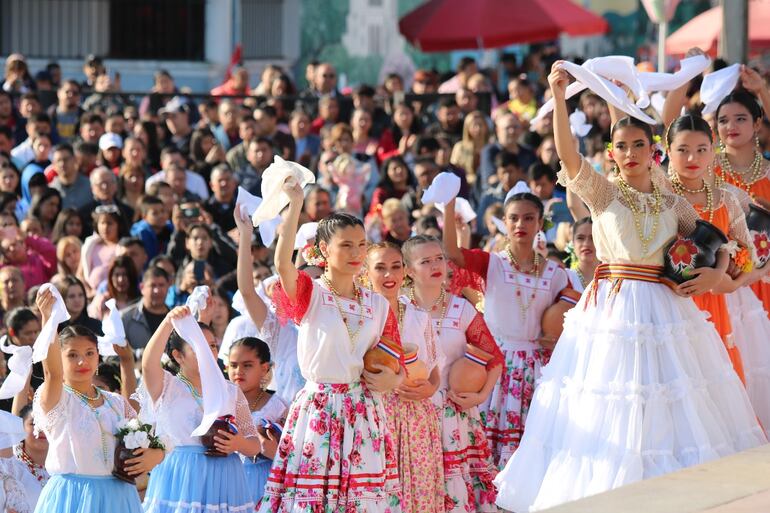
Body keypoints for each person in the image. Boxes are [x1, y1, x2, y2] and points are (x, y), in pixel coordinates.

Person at [493, 62, 766, 512]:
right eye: (622, 146)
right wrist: (559, 98)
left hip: (667, 309)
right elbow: (567, 155)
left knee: (672, 403)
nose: (632, 151)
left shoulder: (672, 201)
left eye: (640, 143)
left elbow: (717, 241)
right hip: (613, 312)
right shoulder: (603, 193)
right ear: (613, 153)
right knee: (612, 405)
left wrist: (717, 272)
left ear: (652, 149)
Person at [256, 181, 404, 512]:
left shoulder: (378, 304)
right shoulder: (312, 293)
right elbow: (283, 266)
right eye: (346, 245)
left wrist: (393, 381)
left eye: (362, 245)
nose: (356, 254)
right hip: (319, 408)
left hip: (364, 412)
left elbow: (397, 361)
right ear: (324, 250)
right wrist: (295, 205)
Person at [31, 288, 162, 513]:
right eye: (72, 355)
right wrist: (48, 320)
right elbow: (52, 373)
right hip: (72, 498)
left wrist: (155, 455)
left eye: (89, 353)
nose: (82, 361)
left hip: (120, 498)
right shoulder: (57, 398)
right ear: (59, 359)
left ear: (98, 357)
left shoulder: (116, 402)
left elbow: (152, 438)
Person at [402, 235, 502, 512]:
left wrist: (479, 396)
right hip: (410, 413)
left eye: (439, 258)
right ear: (408, 269)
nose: (436, 265)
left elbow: (495, 358)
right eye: (425, 261)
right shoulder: (397, 308)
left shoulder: (461, 308)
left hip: (454, 413)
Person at [138, 304, 259, 512]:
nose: (208, 351)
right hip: (180, 478)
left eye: (212, 346)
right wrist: (168, 322)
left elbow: (254, 444)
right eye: (198, 346)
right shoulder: (167, 386)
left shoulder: (230, 390)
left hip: (224, 478)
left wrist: (237, 443)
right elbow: (149, 364)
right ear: (178, 356)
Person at [365, 242, 444, 513]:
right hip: (374, 414)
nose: (389, 275)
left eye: (395, 267)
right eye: (380, 268)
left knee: (417, 497)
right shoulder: (360, 314)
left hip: (415, 416)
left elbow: (435, 370)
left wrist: (430, 389)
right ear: (365, 273)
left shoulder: (418, 315)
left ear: (405, 271)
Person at [227, 337, 287, 505]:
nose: (238, 371)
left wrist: (271, 449)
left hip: (264, 481)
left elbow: (291, 453)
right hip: (227, 478)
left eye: (247, 365)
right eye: (233, 365)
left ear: (264, 368)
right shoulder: (220, 402)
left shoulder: (278, 406)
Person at [120, 266, 171, 351]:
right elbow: (113, 356)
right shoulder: (125, 318)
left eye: (161, 285)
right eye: (152, 285)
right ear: (142, 288)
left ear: (168, 286)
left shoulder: (176, 319)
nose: (157, 290)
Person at [49, 144, 93, 210]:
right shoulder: (51, 191)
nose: (62, 164)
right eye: (58, 161)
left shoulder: (90, 186)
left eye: (65, 159)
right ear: (53, 165)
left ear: (75, 160)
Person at [565, 217, 599, 293]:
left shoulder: (613, 280)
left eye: (592, 238)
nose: (586, 244)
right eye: (580, 238)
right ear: (573, 243)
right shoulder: (565, 277)